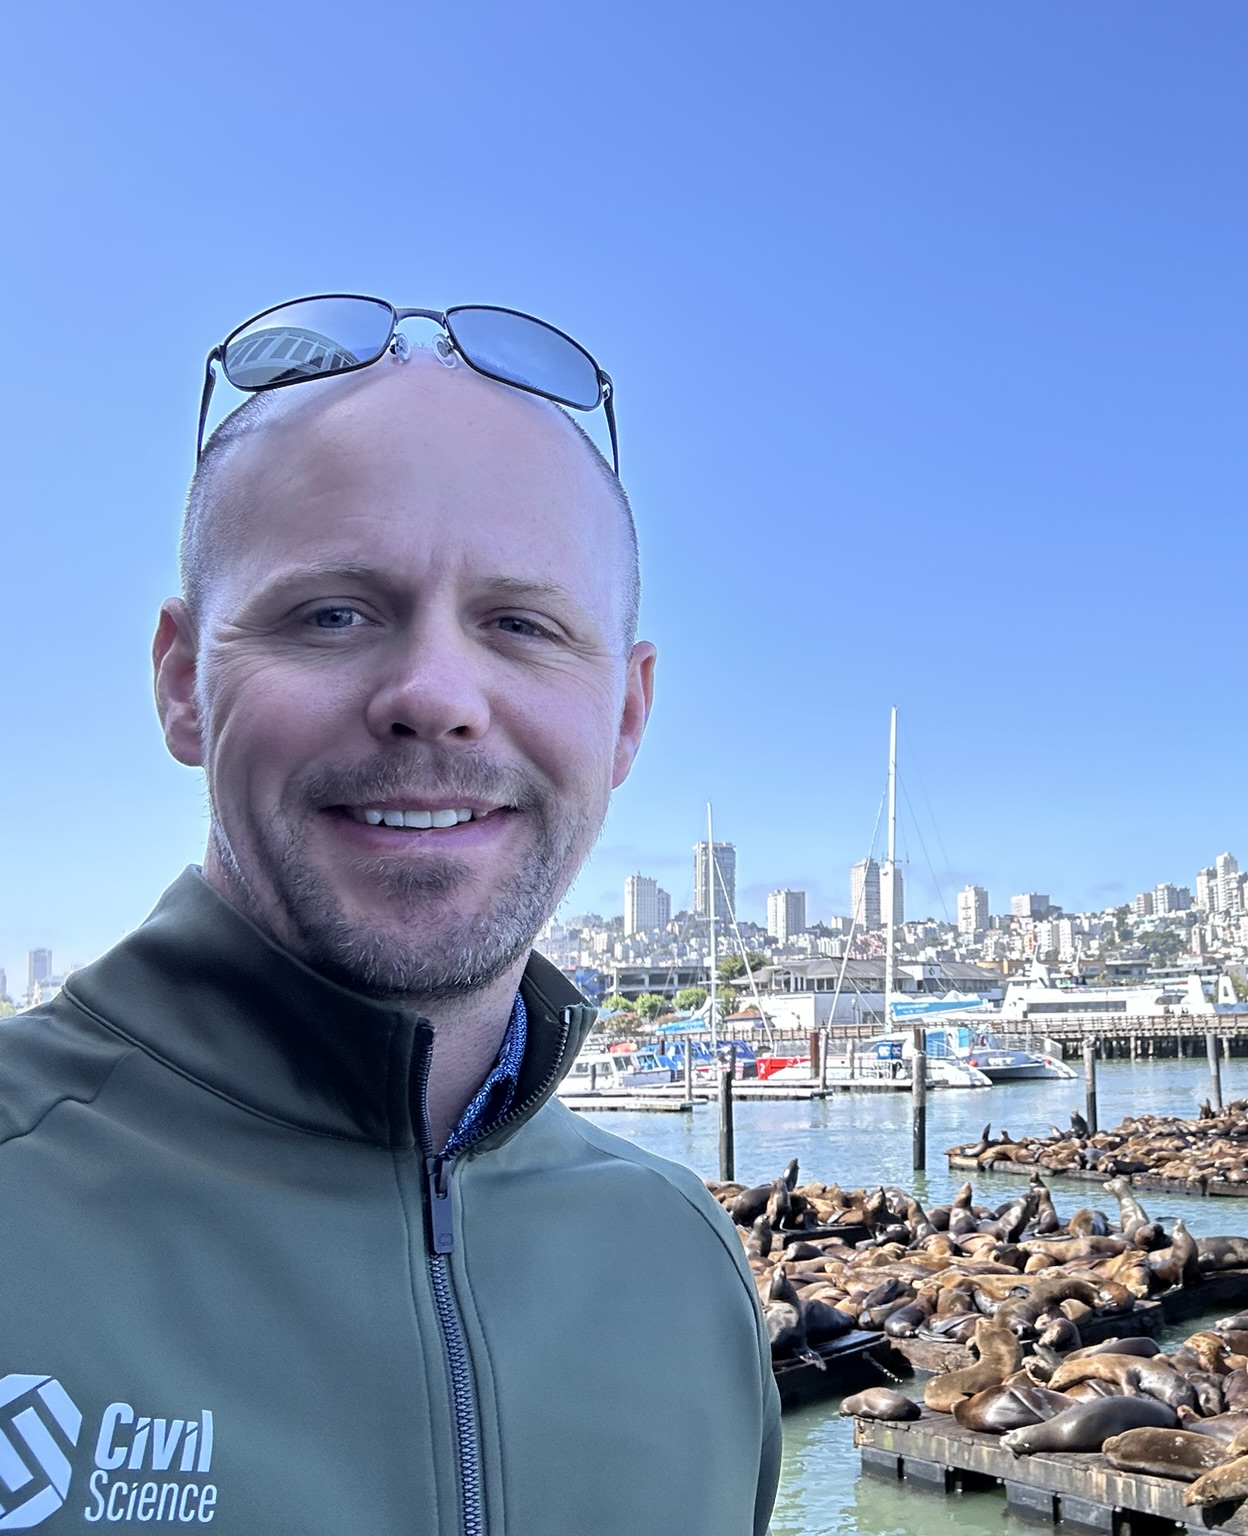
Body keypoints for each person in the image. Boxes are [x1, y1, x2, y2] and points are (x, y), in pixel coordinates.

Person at [0, 298, 780, 1534]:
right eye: (333, 614)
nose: (433, 695)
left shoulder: (683, 1268)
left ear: (625, 717)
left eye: (521, 624)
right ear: (180, 682)